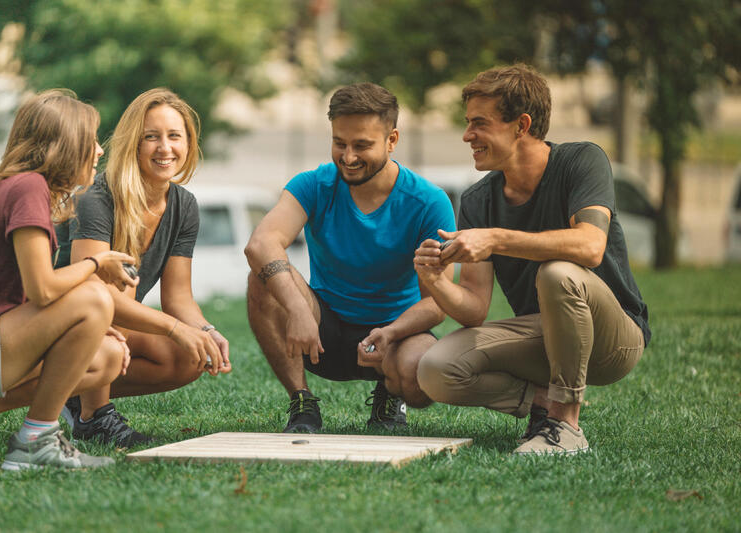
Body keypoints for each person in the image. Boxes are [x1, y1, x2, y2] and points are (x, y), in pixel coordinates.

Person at [414, 64, 651, 455]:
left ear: (521, 125)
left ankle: (566, 425)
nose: (467, 135)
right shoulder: (478, 200)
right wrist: (436, 279)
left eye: (479, 123)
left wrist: (495, 239)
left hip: (612, 339)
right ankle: (540, 402)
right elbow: (474, 309)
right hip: (544, 337)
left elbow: (590, 246)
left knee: (558, 274)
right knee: (436, 369)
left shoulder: (581, 162)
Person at [0, 89, 138, 470]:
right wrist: (96, 264)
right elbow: (43, 290)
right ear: (66, 145)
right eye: (91, 140)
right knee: (96, 298)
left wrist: (84, 328)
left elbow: (20, 298)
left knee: (105, 357)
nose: (99, 150)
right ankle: (36, 443)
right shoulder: (28, 187)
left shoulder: (24, 188)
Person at [245, 82, 456, 433]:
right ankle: (302, 404)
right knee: (262, 277)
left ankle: (390, 395)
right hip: (320, 333)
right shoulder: (313, 185)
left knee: (421, 381)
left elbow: (437, 303)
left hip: (394, 336)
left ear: (392, 140)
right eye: (339, 143)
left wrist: (391, 332)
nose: (348, 156)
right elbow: (261, 243)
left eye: (362, 145)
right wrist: (297, 309)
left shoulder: (429, 202)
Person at [55, 88, 231, 448]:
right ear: (133, 143)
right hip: (50, 322)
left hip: (98, 329)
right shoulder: (99, 197)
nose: (165, 148)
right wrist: (174, 329)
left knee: (187, 357)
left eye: (174, 136)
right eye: (151, 137)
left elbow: (179, 296)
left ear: (189, 143)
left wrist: (204, 330)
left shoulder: (184, 206)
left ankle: (75, 395)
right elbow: (94, 295)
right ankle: (95, 416)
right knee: (119, 287)